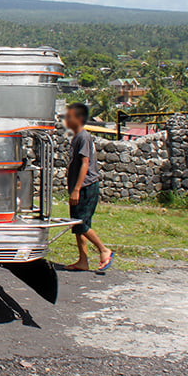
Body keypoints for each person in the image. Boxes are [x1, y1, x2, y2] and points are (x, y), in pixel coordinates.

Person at [63, 102, 114, 272]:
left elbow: (86, 163)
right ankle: (83, 260)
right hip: (79, 186)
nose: (66, 120)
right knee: (78, 225)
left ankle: (104, 249)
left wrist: (77, 189)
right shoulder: (77, 137)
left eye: (69, 116)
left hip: (86, 186)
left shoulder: (83, 137)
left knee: (80, 223)